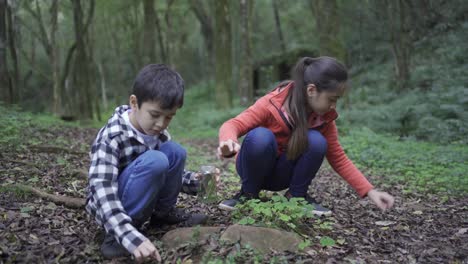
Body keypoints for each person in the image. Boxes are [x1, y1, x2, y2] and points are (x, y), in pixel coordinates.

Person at [217, 56, 395, 216]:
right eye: (331, 99)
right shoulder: (272, 103)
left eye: (336, 100)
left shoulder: (323, 119)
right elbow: (233, 124)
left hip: (281, 175)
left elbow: (338, 158)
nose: (333, 106)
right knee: (260, 136)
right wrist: (228, 142)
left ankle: (296, 197)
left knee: (317, 141)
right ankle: (247, 194)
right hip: (253, 169)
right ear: (311, 90)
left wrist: (370, 191)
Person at [86, 64, 207, 262]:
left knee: (174, 152)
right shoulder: (112, 136)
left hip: (144, 195)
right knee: (156, 159)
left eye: (169, 117)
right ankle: (115, 240)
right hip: (115, 211)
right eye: (155, 115)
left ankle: (162, 214)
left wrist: (197, 182)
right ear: (134, 103)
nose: (161, 124)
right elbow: (102, 190)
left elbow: (166, 173)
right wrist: (129, 237)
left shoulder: (158, 133)